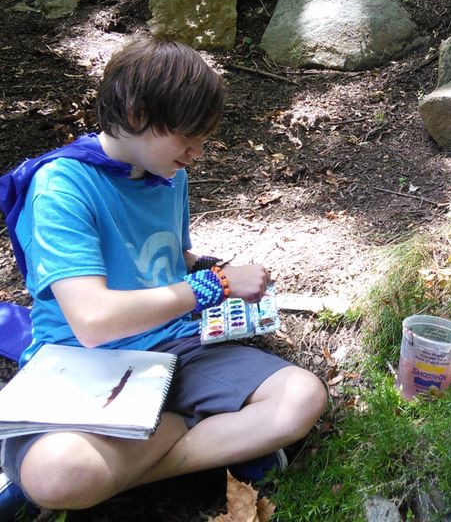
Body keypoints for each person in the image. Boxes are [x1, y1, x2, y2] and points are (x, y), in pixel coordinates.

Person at [0, 37, 328, 518]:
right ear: (136, 114)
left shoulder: (167, 173)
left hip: (176, 350)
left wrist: (207, 267)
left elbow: (168, 255)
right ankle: (192, 434)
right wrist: (213, 285)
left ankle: (137, 456)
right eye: (187, 137)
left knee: (301, 397)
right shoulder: (62, 186)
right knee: (58, 473)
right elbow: (94, 320)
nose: (197, 152)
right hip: (84, 364)